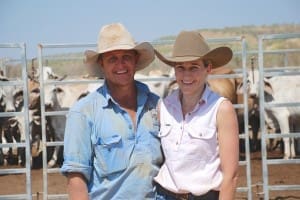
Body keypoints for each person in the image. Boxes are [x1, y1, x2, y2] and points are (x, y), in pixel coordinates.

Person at [60, 23, 163, 200]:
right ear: (101, 63)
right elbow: (76, 179)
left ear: (135, 60)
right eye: (112, 59)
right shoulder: (84, 112)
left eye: (126, 57)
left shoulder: (156, 105)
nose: (120, 65)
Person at [154, 30, 239, 200]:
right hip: (165, 195)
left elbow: (231, 176)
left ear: (208, 68)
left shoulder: (221, 109)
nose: (186, 75)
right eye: (180, 68)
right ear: (174, 70)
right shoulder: (163, 107)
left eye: (194, 67)